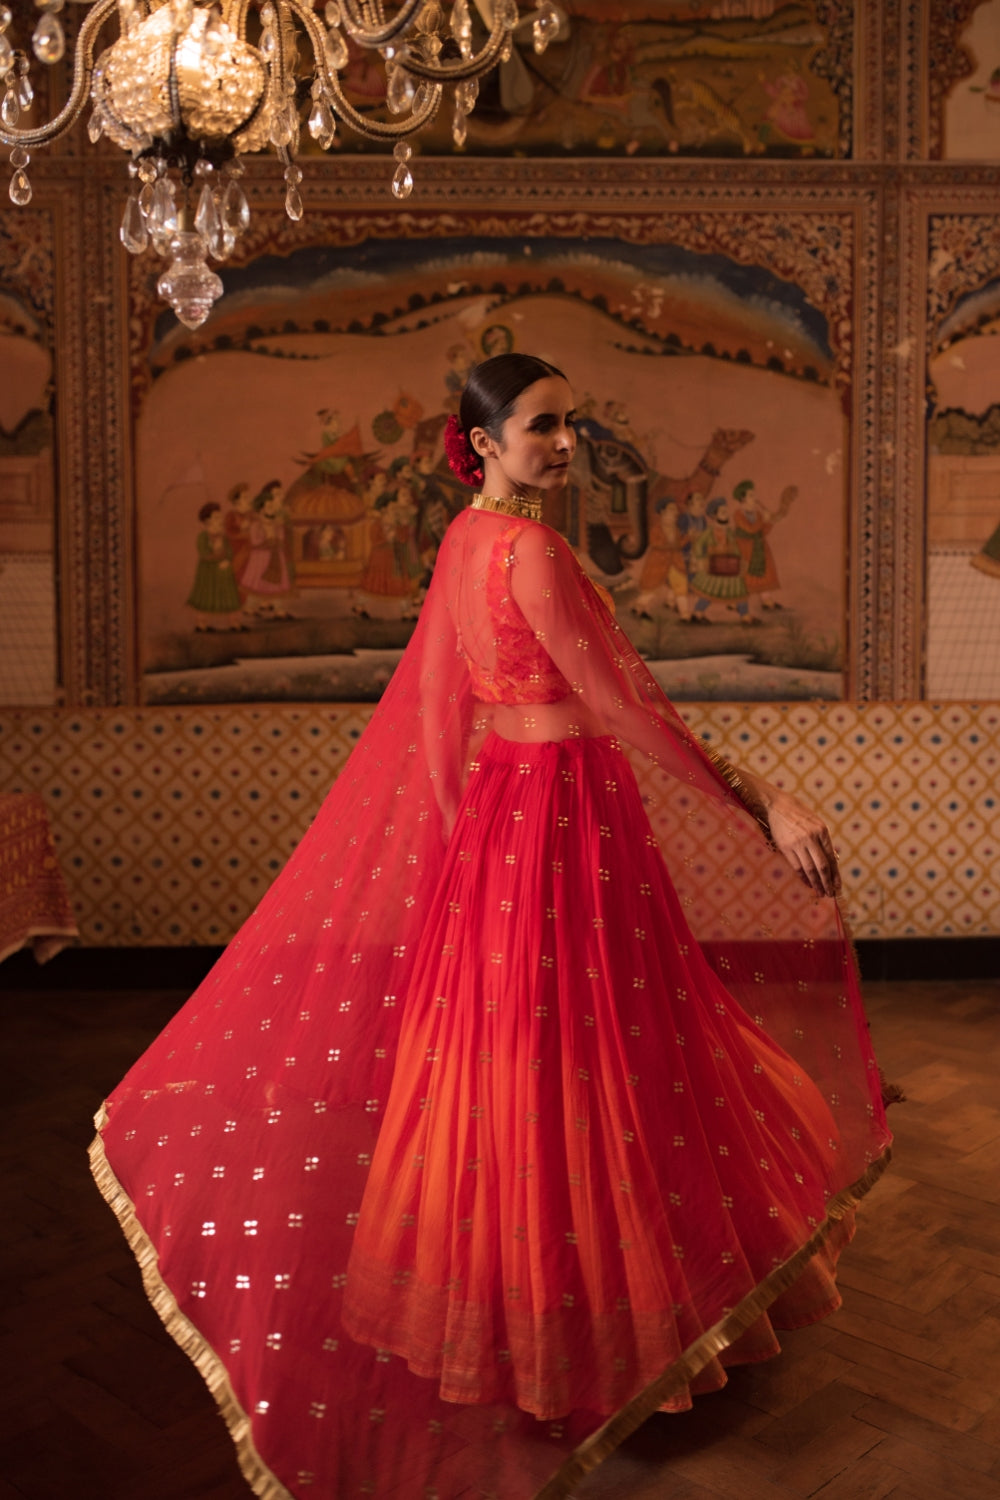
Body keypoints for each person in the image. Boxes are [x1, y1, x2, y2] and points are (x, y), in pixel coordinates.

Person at [91, 354, 891, 1500]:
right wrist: (761, 797)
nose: (565, 445)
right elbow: (622, 706)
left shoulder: (464, 542)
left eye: (574, 425)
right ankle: (589, 1327)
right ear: (483, 440)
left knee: (506, 1061)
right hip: (564, 813)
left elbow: (434, 716)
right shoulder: (533, 552)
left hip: (511, 820)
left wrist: (473, 840)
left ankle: (501, 1322)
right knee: (591, 1054)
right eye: (543, 427)